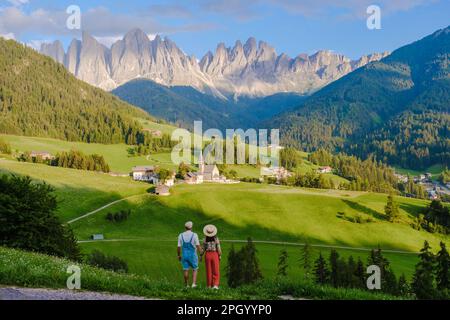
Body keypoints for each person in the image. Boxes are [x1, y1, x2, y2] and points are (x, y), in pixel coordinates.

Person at [177, 221, 202, 288]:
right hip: (192, 255)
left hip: (184, 255)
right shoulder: (194, 235)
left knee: (185, 269)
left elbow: (179, 247)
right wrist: (201, 254)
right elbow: (198, 245)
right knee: (195, 269)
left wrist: (179, 255)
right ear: (191, 227)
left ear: (185, 227)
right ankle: (193, 284)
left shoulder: (180, 235)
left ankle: (186, 284)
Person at [200, 224, 222, 289]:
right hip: (214, 254)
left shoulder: (205, 239)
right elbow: (219, 250)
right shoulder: (216, 239)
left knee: (208, 270)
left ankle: (209, 285)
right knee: (216, 270)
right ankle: (215, 285)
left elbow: (202, 249)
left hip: (207, 255)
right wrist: (220, 255)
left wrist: (201, 256)